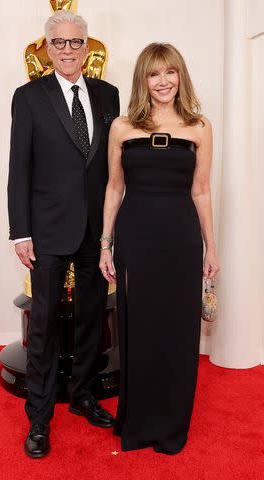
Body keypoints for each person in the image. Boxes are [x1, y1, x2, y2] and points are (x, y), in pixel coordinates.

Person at [7, 10, 120, 458]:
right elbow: (19, 168)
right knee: (46, 327)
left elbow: (114, 168)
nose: (68, 50)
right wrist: (21, 232)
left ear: (87, 48)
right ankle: (38, 418)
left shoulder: (109, 94)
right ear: (47, 48)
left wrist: (116, 229)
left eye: (76, 43)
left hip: (97, 231)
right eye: (60, 43)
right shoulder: (29, 97)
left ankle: (85, 395)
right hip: (48, 231)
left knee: (94, 318)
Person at [99, 43, 220, 454]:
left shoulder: (199, 126)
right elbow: (114, 188)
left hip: (181, 239)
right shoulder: (122, 126)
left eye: (170, 72)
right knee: (139, 328)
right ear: (143, 80)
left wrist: (211, 248)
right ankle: (138, 421)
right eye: (154, 74)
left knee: (176, 330)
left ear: (180, 76)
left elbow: (201, 192)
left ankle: (171, 427)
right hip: (136, 238)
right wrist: (105, 244)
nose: (163, 81)